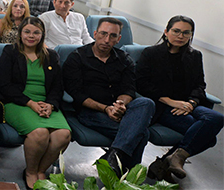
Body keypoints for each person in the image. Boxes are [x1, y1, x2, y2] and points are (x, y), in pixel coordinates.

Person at [63, 17, 155, 176]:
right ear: (95, 33)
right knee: (142, 133)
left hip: (120, 110)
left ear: (119, 39)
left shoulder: (124, 59)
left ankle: (114, 157)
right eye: (103, 34)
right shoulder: (77, 57)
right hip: (91, 112)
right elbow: (77, 94)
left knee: (146, 103)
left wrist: (120, 104)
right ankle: (124, 177)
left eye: (113, 36)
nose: (107, 40)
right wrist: (106, 109)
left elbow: (129, 88)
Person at [137, 16, 224, 182]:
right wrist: (170, 101)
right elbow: (141, 84)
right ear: (166, 31)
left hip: (188, 104)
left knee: (218, 117)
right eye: (176, 31)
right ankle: (168, 161)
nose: (181, 36)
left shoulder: (195, 55)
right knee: (208, 138)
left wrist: (191, 103)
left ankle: (170, 160)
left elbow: (200, 85)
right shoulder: (151, 53)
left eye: (186, 33)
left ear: (191, 35)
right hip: (162, 105)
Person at [0, 17, 70, 189]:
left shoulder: (51, 55)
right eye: (27, 31)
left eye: (36, 32)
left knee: (63, 135)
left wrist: (50, 104)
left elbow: (58, 86)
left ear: (42, 35)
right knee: (40, 133)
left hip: (45, 104)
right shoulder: (10, 52)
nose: (31, 36)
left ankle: (41, 170)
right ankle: (30, 171)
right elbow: (3, 85)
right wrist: (30, 103)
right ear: (20, 33)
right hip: (18, 103)